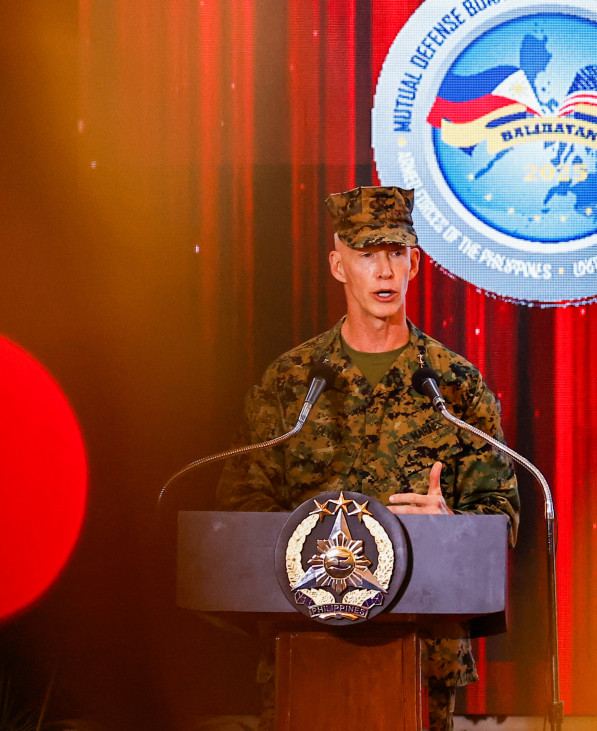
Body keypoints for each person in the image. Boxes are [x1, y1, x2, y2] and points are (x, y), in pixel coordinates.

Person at [217, 185, 520, 731]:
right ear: (338, 266)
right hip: (305, 642)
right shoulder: (293, 380)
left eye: (396, 253)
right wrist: (305, 536)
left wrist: (451, 527)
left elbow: (503, 514)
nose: (384, 271)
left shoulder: (453, 385)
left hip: (422, 657)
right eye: (366, 254)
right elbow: (241, 498)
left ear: (415, 265)